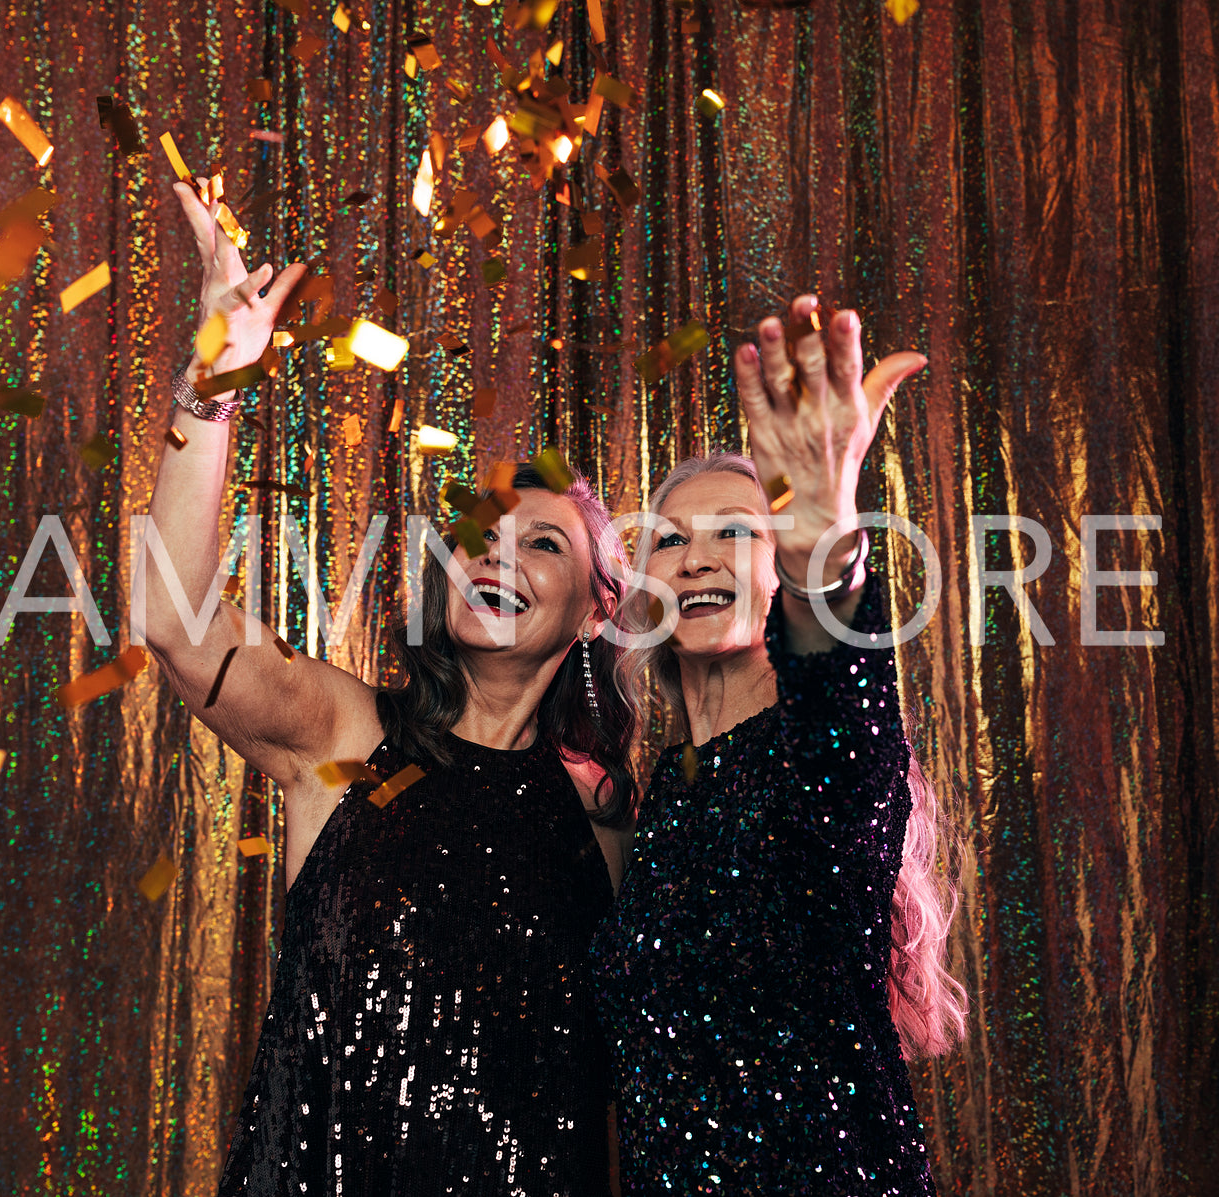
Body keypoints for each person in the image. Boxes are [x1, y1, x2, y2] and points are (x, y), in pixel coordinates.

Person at [141, 179, 639, 1196]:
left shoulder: (605, 813)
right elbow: (172, 621)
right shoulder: (345, 734)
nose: (494, 555)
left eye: (541, 542)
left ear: (596, 609)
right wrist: (210, 389)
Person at [591, 298, 968, 1194]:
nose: (693, 558)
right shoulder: (659, 799)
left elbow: (841, 685)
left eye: (734, 532)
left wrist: (823, 552)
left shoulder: (817, 754)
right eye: (669, 541)